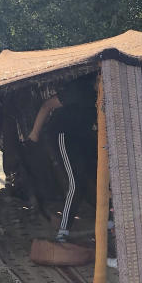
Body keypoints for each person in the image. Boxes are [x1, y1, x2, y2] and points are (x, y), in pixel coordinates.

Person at [28, 79, 97, 242]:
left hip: (83, 136)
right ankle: (63, 231)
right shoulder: (78, 89)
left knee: (92, 177)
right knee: (75, 183)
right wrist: (34, 133)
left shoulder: (103, 94)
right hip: (64, 136)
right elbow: (47, 105)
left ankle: (106, 220)